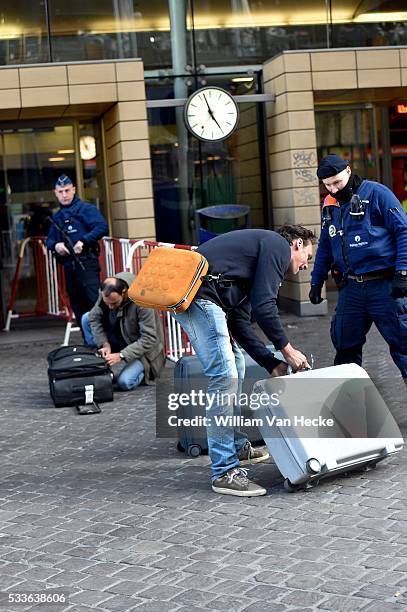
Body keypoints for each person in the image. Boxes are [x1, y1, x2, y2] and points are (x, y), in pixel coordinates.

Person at [172, 225, 317, 497]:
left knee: (235, 366)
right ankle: (224, 471)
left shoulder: (253, 265)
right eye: (306, 257)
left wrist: (269, 362)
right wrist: (286, 350)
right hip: (200, 297)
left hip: (205, 298)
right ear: (296, 244)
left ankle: (236, 446)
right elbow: (265, 308)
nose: (305, 265)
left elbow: (240, 321)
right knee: (224, 376)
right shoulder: (276, 245)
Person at [309, 153, 407, 385]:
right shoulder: (330, 205)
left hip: (384, 285)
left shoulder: (377, 194)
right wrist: (316, 280)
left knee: (404, 346)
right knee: (344, 347)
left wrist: (403, 273)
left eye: (337, 182)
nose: (333, 189)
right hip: (352, 288)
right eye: (327, 185)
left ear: (349, 171)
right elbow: (326, 243)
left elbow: (403, 231)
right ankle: (348, 406)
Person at [46, 174, 108, 337]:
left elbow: (102, 227)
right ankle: (88, 342)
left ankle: (104, 341)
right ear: (55, 193)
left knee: (94, 304)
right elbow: (49, 240)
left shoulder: (86, 209)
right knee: (77, 305)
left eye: (67, 190)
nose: (64, 195)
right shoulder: (57, 216)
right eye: (60, 191)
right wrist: (56, 245)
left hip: (86, 263)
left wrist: (84, 241)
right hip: (69, 266)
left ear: (74, 190)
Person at [82, 272, 165, 390]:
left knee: (124, 382)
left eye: (114, 303)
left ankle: (145, 372)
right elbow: (93, 318)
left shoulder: (143, 300)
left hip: (144, 351)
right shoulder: (106, 292)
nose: (110, 307)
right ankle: (99, 360)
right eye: (107, 304)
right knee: (86, 318)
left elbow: (149, 339)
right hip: (120, 336)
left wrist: (121, 355)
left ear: (124, 292)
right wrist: (104, 343)